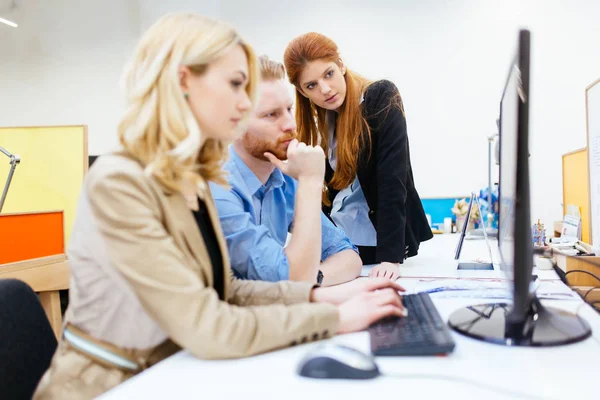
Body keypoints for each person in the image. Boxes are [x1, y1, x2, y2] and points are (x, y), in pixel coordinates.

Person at [33, 14, 407, 400]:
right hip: (111, 385)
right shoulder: (121, 182)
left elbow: (223, 290)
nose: (245, 104)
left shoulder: (187, 176)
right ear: (183, 83)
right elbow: (206, 324)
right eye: (235, 85)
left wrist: (322, 296)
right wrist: (335, 318)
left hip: (172, 370)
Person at [283, 32, 433, 281]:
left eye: (328, 74)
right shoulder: (322, 121)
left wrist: (390, 259)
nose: (325, 89)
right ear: (302, 91)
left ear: (341, 64)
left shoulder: (379, 98)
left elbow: (392, 179)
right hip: (337, 244)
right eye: (311, 85)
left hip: (376, 247)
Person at [209, 55, 362, 286]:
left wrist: (313, 279)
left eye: (289, 109)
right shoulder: (217, 189)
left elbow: (347, 255)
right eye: (271, 114)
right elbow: (286, 277)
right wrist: (311, 181)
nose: (290, 124)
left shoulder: (283, 180)